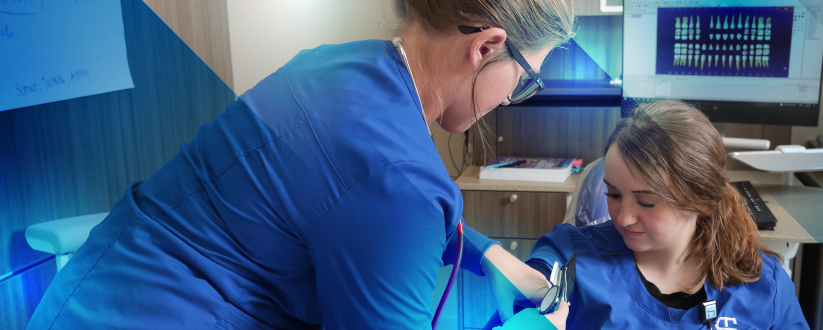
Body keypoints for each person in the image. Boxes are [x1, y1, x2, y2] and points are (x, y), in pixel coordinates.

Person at [27, 1, 574, 329]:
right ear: (486, 47)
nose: (510, 98)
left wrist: (501, 257)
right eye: (525, 80)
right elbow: (387, 193)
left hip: (92, 295)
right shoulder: (399, 177)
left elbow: (358, 197)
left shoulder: (337, 65)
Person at [515, 100, 809, 329]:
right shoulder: (571, 255)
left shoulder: (763, 284)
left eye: (646, 202)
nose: (624, 217)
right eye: (614, 195)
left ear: (698, 199)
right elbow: (531, 286)